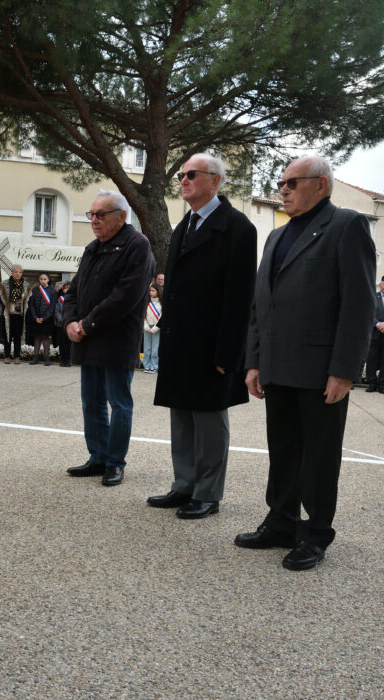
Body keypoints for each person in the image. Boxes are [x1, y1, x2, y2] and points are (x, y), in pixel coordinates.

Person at [239, 155, 375, 571]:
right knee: (283, 450)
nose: (283, 189)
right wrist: (255, 360)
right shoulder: (276, 237)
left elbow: (358, 304)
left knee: (318, 454)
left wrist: (345, 369)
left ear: (321, 185)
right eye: (281, 183)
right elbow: (263, 305)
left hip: (320, 370)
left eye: (292, 183)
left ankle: (316, 532)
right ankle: (281, 521)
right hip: (278, 365)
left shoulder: (346, 226)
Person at [150, 153, 256, 519]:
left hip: (212, 344)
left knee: (209, 420)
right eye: (181, 175)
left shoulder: (238, 228)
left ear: (215, 181)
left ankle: (208, 493)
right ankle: (184, 485)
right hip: (180, 340)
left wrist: (229, 353)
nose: (183, 180)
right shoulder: (184, 226)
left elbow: (240, 298)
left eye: (191, 174)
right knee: (180, 417)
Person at [63, 189, 155, 487]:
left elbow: (125, 296)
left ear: (121, 216)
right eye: (91, 215)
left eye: (101, 215)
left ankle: (115, 462)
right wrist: (69, 323)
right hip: (89, 337)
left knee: (119, 402)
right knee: (91, 401)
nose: (94, 221)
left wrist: (87, 324)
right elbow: (74, 290)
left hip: (116, 338)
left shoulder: (137, 246)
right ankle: (98, 457)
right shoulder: (92, 248)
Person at [0, 265, 30, 364]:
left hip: (20, 315)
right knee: (7, 336)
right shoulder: (4, 284)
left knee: (18, 336)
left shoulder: (26, 285)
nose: (18, 274)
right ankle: (7, 355)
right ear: (12, 273)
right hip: (8, 314)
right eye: (16, 272)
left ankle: (17, 356)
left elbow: (29, 300)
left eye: (20, 272)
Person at [27, 273, 55, 365]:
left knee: (46, 338)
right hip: (36, 319)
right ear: (39, 280)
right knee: (37, 337)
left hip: (47, 319)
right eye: (41, 279)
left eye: (45, 279)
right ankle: (35, 358)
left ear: (48, 280)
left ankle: (47, 358)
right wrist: (36, 317)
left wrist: (44, 318)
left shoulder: (52, 291)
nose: (43, 280)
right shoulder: (35, 290)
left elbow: (52, 307)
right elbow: (31, 305)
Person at [142, 284, 161, 373]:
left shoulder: (161, 304)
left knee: (155, 349)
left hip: (156, 328)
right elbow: (143, 316)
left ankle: (154, 366)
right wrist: (146, 327)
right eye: (150, 291)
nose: (151, 292)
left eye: (153, 291)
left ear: (158, 292)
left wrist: (154, 329)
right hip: (147, 327)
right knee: (147, 348)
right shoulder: (146, 303)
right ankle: (147, 365)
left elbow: (161, 317)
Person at [54, 282, 72, 367]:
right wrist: (61, 320)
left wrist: (69, 320)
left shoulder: (74, 299)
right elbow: (57, 311)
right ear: (63, 289)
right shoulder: (59, 299)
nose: (67, 289)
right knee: (62, 343)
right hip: (60, 325)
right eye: (65, 288)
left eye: (69, 288)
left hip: (69, 324)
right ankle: (63, 359)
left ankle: (69, 359)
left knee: (69, 343)